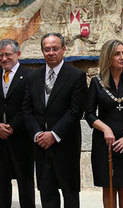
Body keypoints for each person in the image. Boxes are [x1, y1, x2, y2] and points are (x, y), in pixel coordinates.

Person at [23, 33, 87, 208]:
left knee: (70, 194)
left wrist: (54, 134)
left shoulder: (76, 76)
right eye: (47, 49)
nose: (51, 53)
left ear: (63, 49)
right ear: (43, 51)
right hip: (41, 146)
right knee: (47, 193)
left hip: (65, 145)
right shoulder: (32, 77)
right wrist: (37, 134)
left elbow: (76, 111)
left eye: (55, 49)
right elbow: (27, 110)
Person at [85, 40, 123, 208]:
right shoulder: (97, 83)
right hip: (105, 142)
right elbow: (89, 114)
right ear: (108, 57)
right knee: (109, 186)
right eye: (117, 54)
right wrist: (105, 128)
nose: (122, 57)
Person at [0, 39, 35, 208]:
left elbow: (29, 105)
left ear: (18, 55)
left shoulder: (29, 76)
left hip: (21, 138)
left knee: (24, 181)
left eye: (8, 55)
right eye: (0, 56)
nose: (4, 59)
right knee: (2, 182)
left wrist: (12, 126)